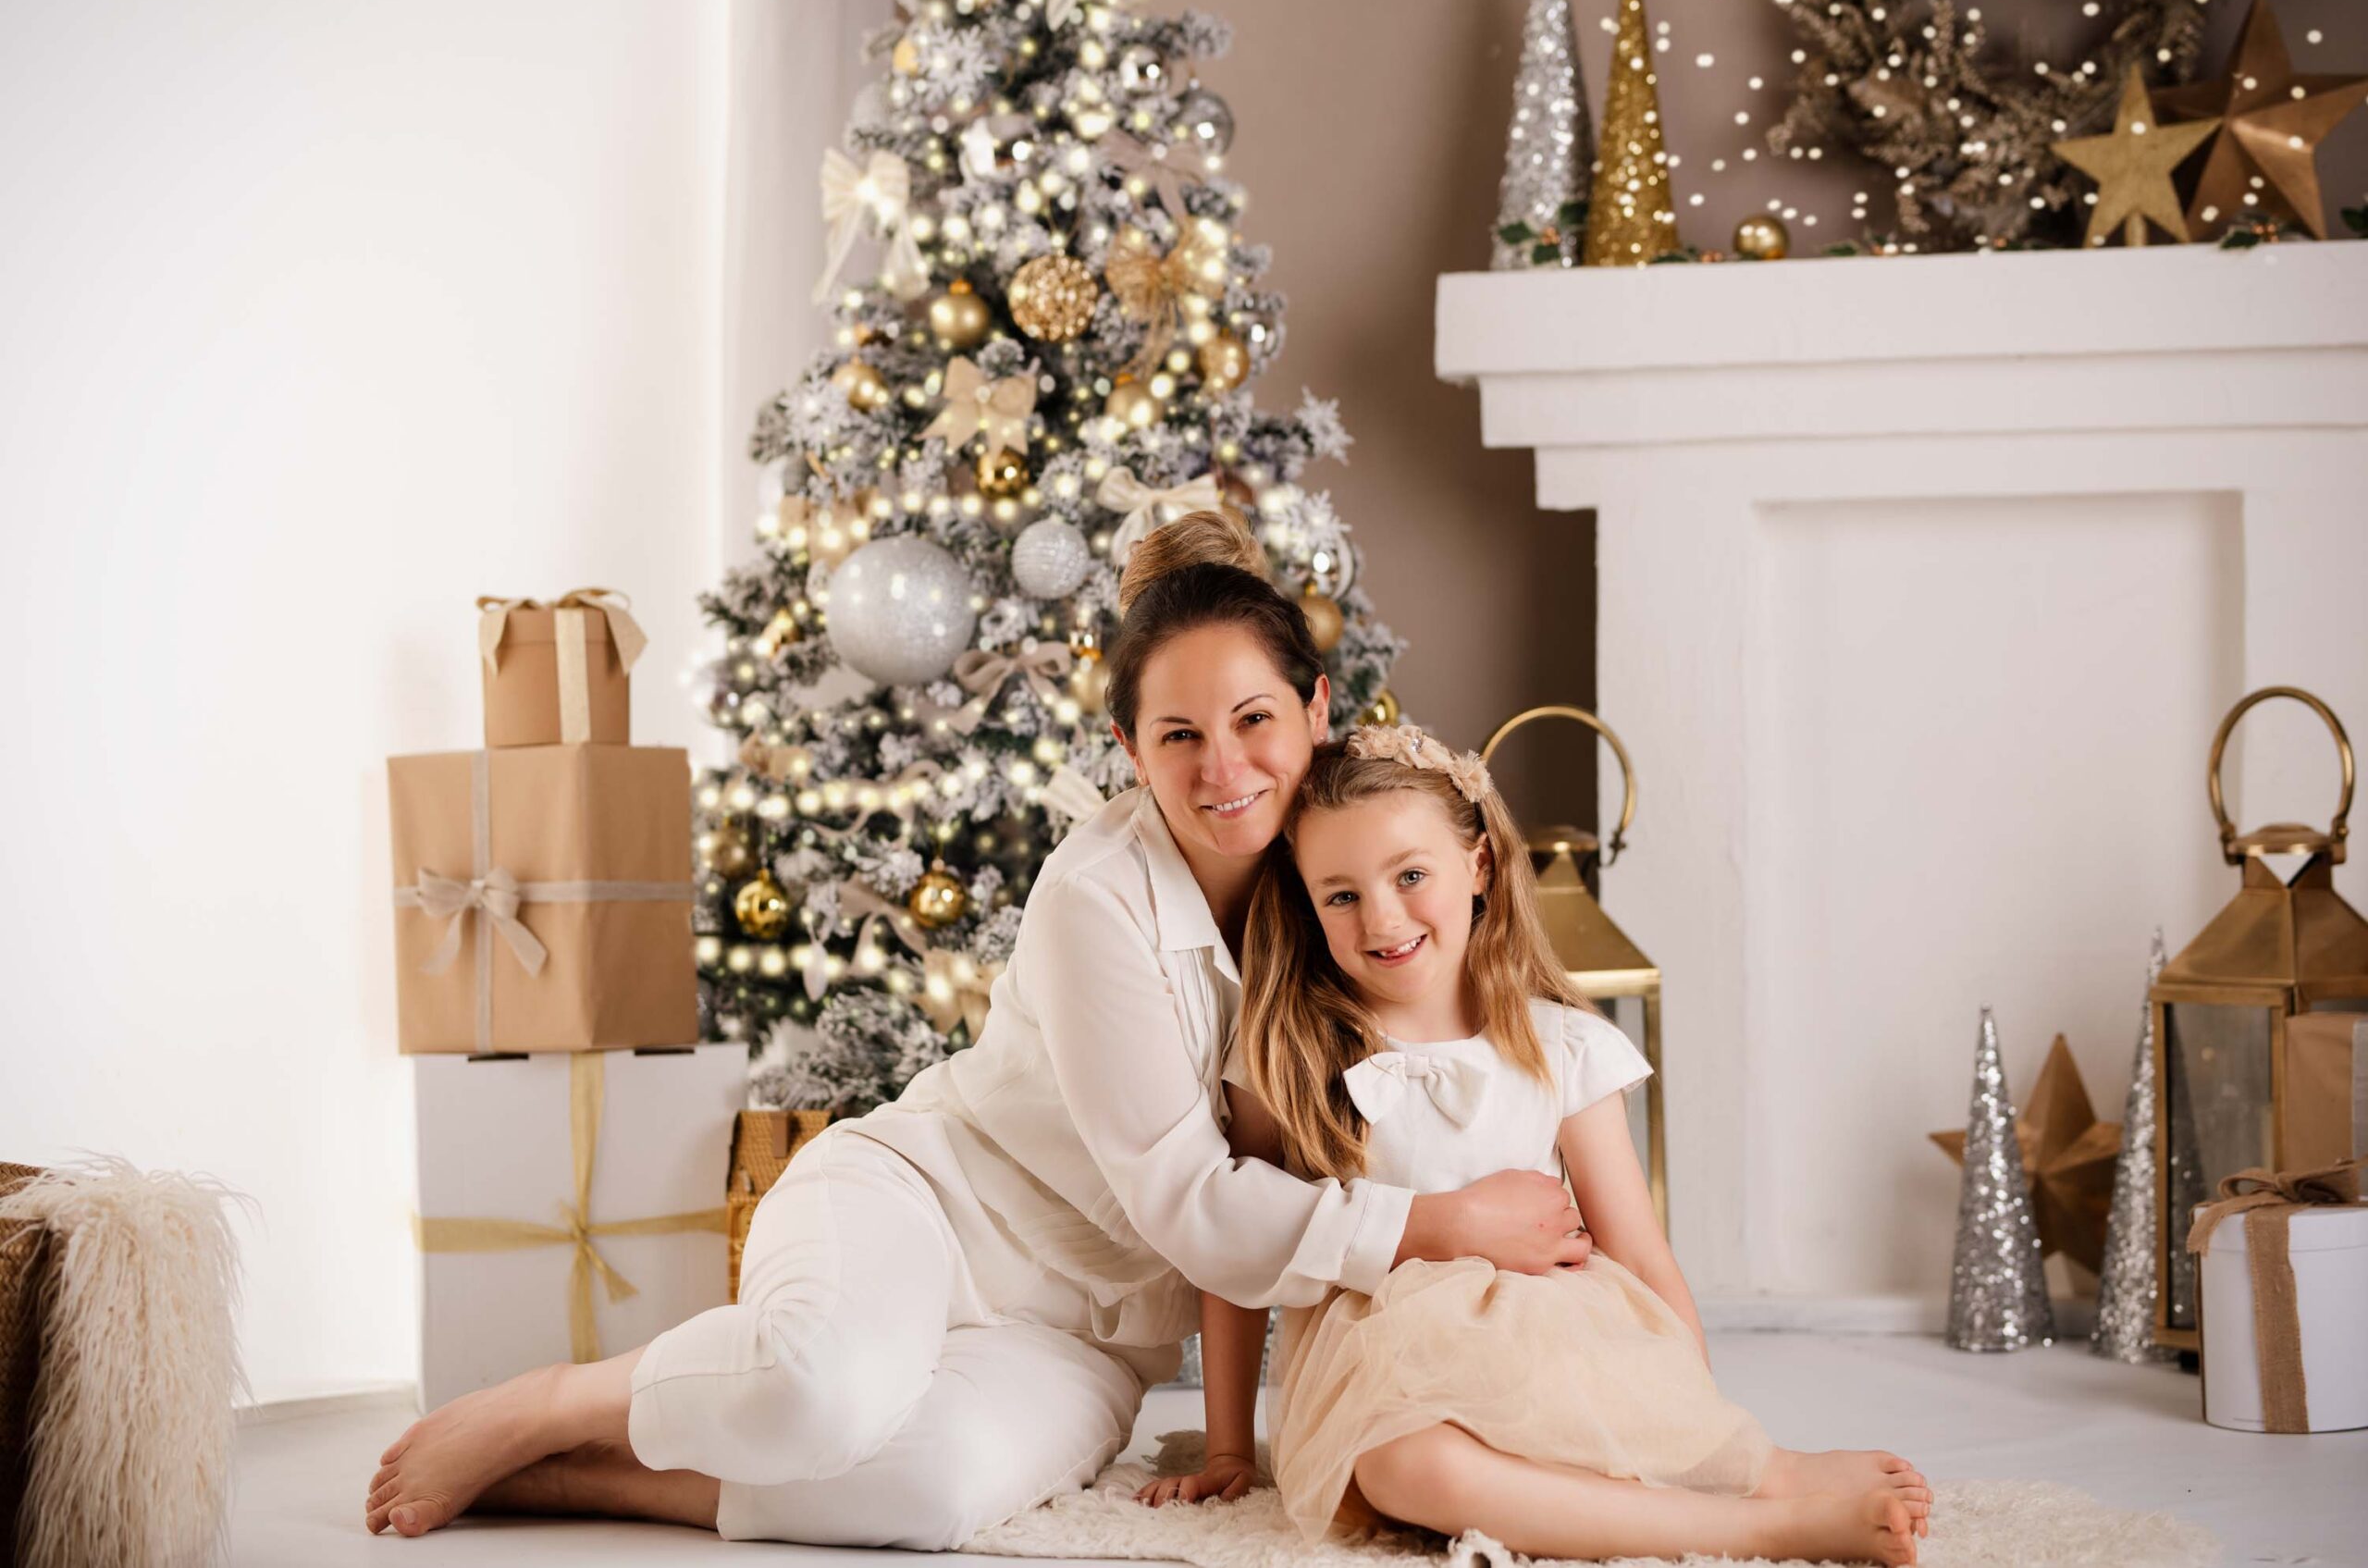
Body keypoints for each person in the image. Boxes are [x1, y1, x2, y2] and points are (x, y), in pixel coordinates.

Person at [364, 512, 1594, 1544]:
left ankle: (583, 1483)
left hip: (1088, 1335)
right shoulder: (1096, 892)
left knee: (931, 1491)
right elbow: (1192, 1200)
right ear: (1128, 749)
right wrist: (1441, 1223)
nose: (1224, 767)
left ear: (1317, 711)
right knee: (815, 1389)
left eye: (1255, 721)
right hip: (930, 1205)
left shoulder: (1340, 888)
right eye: (1178, 736)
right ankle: (552, 1405)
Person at [1139, 726, 1932, 1566]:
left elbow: (1638, 1251)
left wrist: (1707, 1430)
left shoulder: (1557, 1046)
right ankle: (1767, 1531)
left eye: (1411, 876)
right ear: (1306, 905)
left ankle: (1762, 1479)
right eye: (1340, 895)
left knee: (1571, 1434)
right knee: (1410, 1468)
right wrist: (1230, 1448)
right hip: (1379, 1386)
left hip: (1551, 1349)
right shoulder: (1289, 1053)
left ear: (1477, 867)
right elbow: (1234, 1248)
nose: (1383, 917)